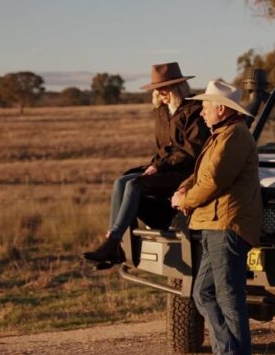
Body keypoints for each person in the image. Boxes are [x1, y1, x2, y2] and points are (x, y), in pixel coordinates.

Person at [172, 80, 262, 355]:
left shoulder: (234, 135)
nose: (201, 113)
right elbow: (201, 174)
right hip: (215, 223)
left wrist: (185, 201)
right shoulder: (222, 135)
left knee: (227, 299)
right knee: (204, 292)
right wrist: (184, 189)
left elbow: (213, 180)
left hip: (227, 225)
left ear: (221, 109)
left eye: (206, 107)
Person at [83, 62, 209, 266]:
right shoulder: (161, 111)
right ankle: (116, 244)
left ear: (178, 86)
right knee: (121, 182)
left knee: (135, 185)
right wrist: (155, 164)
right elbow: (162, 148)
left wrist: (159, 166)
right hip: (165, 168)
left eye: (165, 87)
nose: (160, 92)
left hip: (186, 172)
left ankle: (113, 241)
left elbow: (191, 150)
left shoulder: (194, 110)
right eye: (157, 88)